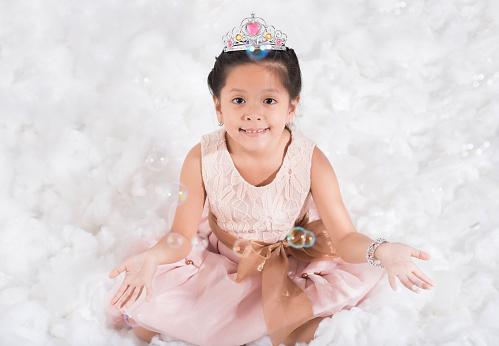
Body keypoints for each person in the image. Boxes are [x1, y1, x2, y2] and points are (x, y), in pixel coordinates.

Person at [106, 13, 435, 346]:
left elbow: (345, 236)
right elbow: (180, 235)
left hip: (290, 260)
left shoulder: (310, 160)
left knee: (299, 327)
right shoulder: (202, 157)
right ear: (218, 107)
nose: (253, 113)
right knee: (148, 321)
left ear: (292, 107)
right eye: (238, 100)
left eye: (269, 100)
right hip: (225, 258)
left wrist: (383, 251)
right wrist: (153, 258)